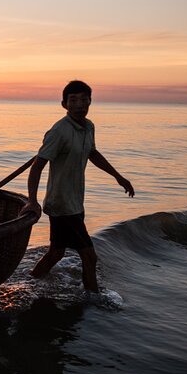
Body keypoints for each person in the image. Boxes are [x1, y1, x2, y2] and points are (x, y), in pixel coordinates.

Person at [20, 80, 134, 294]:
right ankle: (93, 300)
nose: (80, 104)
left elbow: (92, 153)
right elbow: (37, 167)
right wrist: (32, 201)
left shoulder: (89, 127)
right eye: (73, 100)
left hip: (75, 202)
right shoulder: (58, 131)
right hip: (62, 205)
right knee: (89, 256)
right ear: (64, 104)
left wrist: (118, 177)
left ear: (90, 101)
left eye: (84, 99)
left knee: (56, 252)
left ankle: (28, 284)